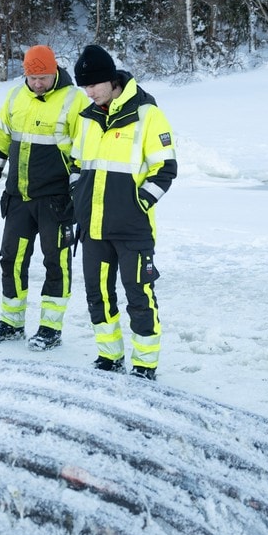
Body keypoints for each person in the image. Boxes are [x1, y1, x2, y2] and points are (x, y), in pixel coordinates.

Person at [70, 45, 177, 381]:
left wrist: (139, 203)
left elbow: (165, 169)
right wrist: (78, 199)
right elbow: (77, 165)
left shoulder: (147, 114)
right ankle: (109, 355)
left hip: (133, 229)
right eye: (84, 87)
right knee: (97, 294)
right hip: (94, 226)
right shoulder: (87, 118)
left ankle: (145, 363)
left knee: (139, 296)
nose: (88, 92)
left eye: (93, 86)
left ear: (111, 80)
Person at [0, 45, 91, 351]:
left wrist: (78, 195)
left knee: (57, 263)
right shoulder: (15, 97)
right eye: (32, 77)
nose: (38, 83)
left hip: (57, 200)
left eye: (43, 77)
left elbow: (84, 152)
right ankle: (12, 323)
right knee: (11, 260)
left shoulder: (74, 99)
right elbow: (0, 140)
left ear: (54, 71)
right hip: (19, 197)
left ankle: (50, 328)